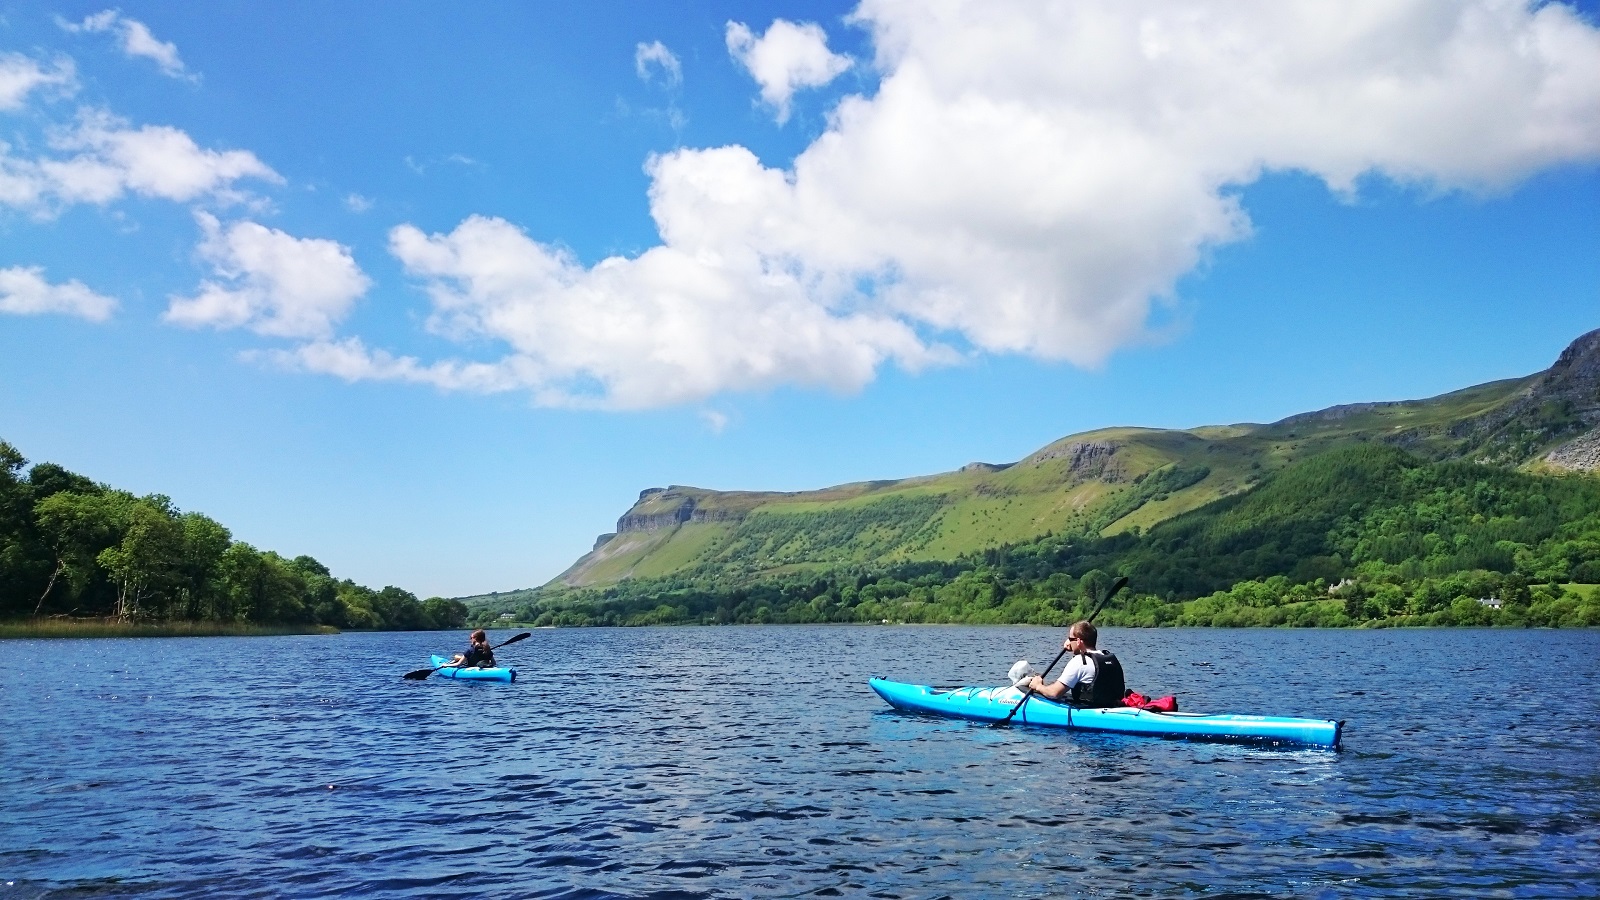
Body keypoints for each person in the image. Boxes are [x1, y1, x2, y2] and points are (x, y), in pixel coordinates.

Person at [1022, 620, 1125, 707]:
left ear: (1079, 641)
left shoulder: (1079, 662)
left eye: (1070, 639)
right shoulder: (1107, 657)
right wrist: (1074, 646)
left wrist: (1038, 686)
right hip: (1111, 706)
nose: (1068, 641)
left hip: (1089, 710)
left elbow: (1054, 693)